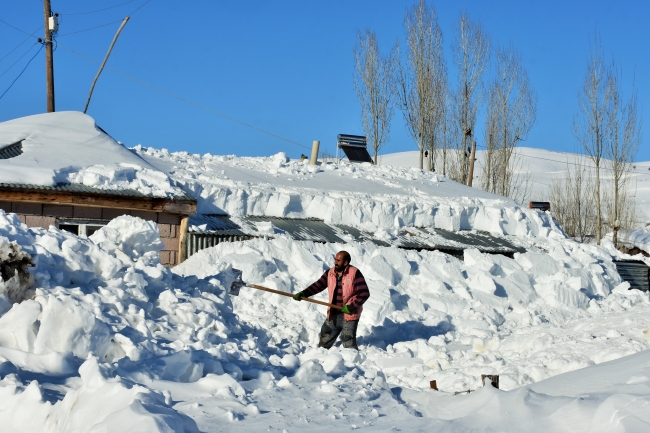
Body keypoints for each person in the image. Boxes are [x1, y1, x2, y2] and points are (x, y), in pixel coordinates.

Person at [293, 251, 370, 350]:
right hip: (334, 311)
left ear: (345, 262)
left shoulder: (354, 273)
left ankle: (353, 362)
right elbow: (318, 285)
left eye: (338, 260)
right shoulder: (330, 273)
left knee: (347, 340)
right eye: (335, 259)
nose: (335, 262)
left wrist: (351, 306)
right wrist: (304, 293)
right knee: (326, 334)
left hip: (349, 313)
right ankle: (322, 356)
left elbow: (364, 293)